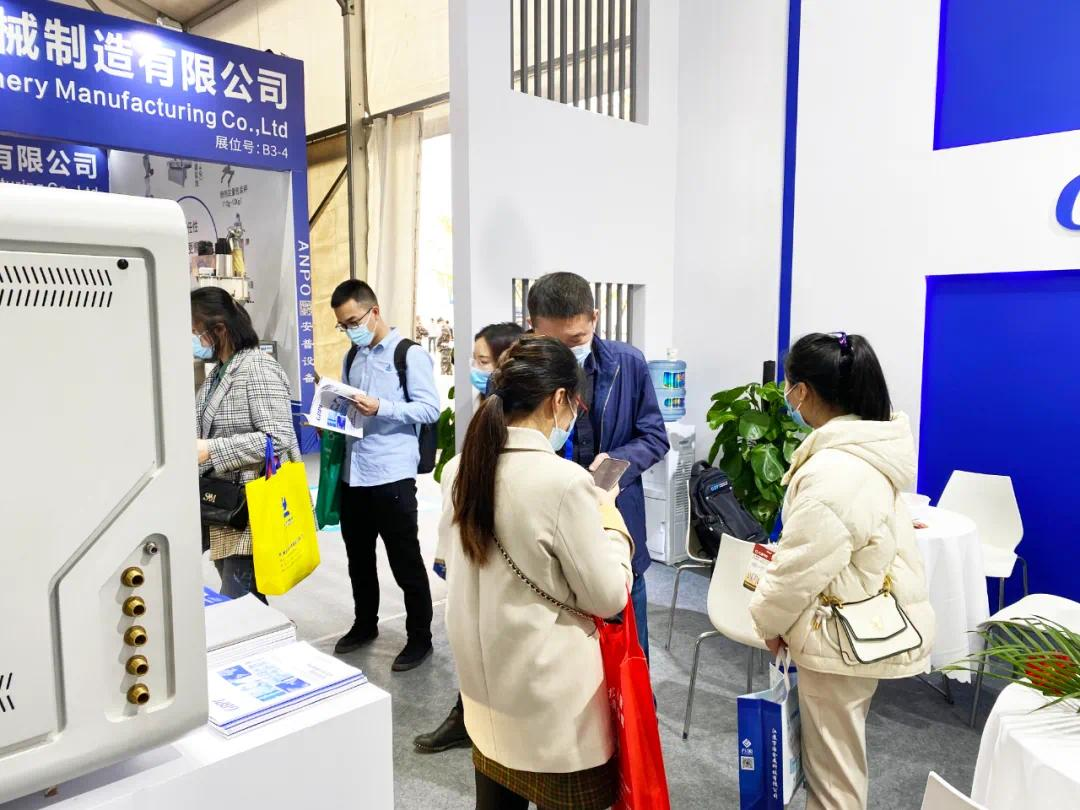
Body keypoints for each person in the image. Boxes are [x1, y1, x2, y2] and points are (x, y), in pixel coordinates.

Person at [438, 335, 633, 810]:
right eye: (575, 406)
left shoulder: (460, 469)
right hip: (554, 713)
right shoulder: (565, 482)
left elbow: (448, 564)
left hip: (485, 700)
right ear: (559, 399)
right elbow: (609, 597)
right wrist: (610, 520)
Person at [748, 332, 935, 810]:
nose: (786, 396)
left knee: (833, 777)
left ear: (802, 391)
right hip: (851, 625)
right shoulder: (866, 446)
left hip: (836, 634)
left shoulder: (835, 470)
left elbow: (800, 569)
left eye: (788, 386)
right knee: (837, 759)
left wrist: (766, 620)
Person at [527, 272, 669, 660]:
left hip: (615, 519)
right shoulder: (520, 374)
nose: (565, 353)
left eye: (576, 340)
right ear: (532, 326)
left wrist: (617, 464)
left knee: (629, 657)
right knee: (565, 658)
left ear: (594, 317)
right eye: (554, 343)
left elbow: (654, 436)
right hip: (548, 527)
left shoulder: (628, 363)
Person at [413, 320, 525, 755]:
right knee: (472, 633)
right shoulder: (484, 409)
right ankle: (469, 715)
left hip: (508, 548)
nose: (476, 370)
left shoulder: (526, 418)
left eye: (483, 361)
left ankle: (490, 721)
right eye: (474, 360)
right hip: (473, 538)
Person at [330, 280, 441, 672]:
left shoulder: (408, 354)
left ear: (373, 312)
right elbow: (351, 410)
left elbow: (430, 409)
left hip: (392, 474)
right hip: (354, 475)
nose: (350, 330)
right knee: (358, 559)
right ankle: (365, 624)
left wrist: (383, 407)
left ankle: (420, 638)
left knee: (404, 560)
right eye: (343, 325)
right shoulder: (352, 357)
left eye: (353, 321)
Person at [193, 287, 301, 602]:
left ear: (219, 330)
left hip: (253, 507)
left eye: (196, 332)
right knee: (241, 599)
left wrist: (211, 450)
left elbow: (277, 438)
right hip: (226, 507)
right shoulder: (220, 371)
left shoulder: (257, 368)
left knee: (240, 601)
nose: (195, 340)